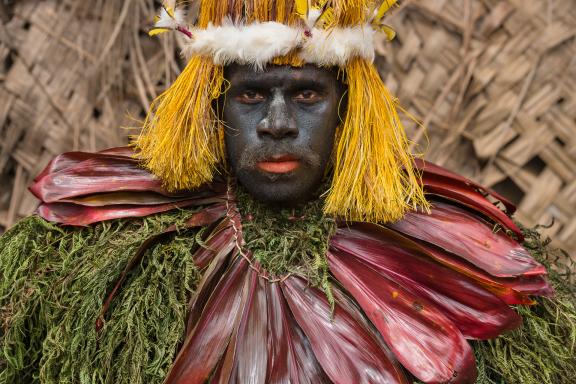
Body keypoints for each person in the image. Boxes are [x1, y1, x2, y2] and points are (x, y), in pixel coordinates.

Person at [1, 1, 574, 383]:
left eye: (305, 96)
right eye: (251, 97)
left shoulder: (455, 240)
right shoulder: (95, 245)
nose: (277, 123)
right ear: (212, 108)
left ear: (348, 109)